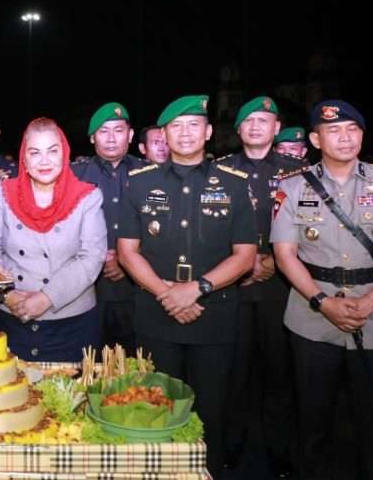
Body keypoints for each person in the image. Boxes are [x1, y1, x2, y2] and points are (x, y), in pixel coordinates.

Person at [272, 99, 373, 480]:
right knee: (314, 419)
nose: (345, 137)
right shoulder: (291, 188)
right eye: (334, 131)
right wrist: (323, 302)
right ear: (315, 139)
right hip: (311, 314)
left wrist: (370, 301)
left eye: (352, 130)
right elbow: (285, 254)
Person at [117, 95, 256, 480]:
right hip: (155, 316)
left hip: (214, 317)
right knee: (155, 408)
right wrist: (168, 294)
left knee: (211, 413)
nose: (185, 133)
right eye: (175, 127)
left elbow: (245, 256)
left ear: (209, 132)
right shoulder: (140, 184)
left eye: (193, 125)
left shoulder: (232, 184)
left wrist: (197, 289)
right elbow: (128, 253)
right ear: (163, 135)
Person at [215, 97, 303, 478]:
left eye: (263, 120)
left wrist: (270, 263)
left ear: (276, 126)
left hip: (277, 289)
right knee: (231, 374)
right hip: (229, 289)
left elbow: (309, 228)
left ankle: (279, 450)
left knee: (278, 375)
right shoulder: (217, 170)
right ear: (238, 129)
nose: (255, 126)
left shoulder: (298, 172)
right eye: (247, 120)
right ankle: (229, 446)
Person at [0, 117, 105, 360]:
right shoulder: (5, 193)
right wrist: (5, 294)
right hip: (12, 315)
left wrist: (47, 298)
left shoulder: (87, 197)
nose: (44, 161)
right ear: (24, 158)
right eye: (35, 152)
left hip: (71, 322)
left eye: (52, 151)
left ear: (64, 154)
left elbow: (92, 258)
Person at [71, 102, 146, 352]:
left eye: (118, 130)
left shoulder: (149, 175)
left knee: (134, 364)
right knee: (89, 361)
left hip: (137, 289)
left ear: (131, 135)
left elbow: (162, 230)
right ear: (93, 137)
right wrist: (97, 259)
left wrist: (127, 261)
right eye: (104, 131)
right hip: (87, 289)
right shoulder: (75, 176)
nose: (111, 138)